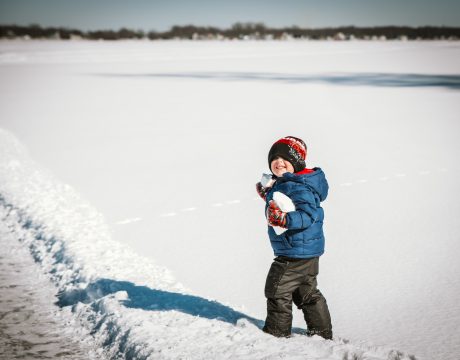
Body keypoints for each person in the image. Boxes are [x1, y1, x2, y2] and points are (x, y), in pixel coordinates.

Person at [256, 136, 333, 340]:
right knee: (306, 293)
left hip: (295, 251)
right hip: (306, 249)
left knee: (276, 289)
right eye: (274, 159)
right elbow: (286, 202)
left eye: (285, 159)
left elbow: (308, 215)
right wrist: (268, 193)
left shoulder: (298, 186)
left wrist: (284, 219)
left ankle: (276, 334)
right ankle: (321, 334)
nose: (279, 162)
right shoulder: (289, 182)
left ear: (297, 162)